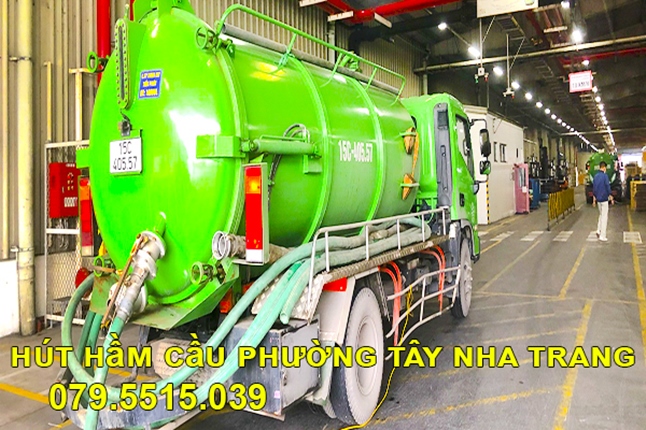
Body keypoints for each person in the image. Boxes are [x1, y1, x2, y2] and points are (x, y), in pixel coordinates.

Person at [592, 161, 614, 242]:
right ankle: (602, 236)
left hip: (598, 199)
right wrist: (610, 196)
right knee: (604, 217)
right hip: (604, 199)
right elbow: (607, 187)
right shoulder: (605, 176)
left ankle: (598, 230)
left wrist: (594, 199)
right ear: (604, 167)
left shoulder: (595, 176)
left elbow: (594, 189)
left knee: (601, 215)